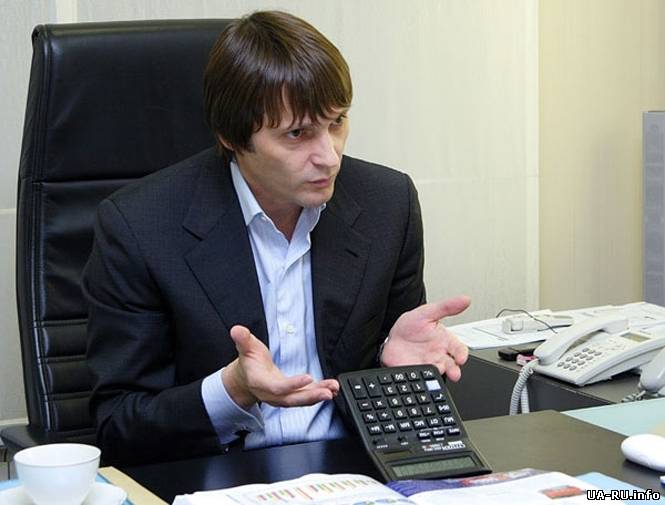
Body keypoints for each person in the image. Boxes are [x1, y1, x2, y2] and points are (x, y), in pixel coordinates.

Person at [82, 10, 469, 465]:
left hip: (352, 471)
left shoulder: (388, 204)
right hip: (218, 475)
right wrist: (232, 390)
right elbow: (120, 426)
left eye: (337, 122)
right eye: (297, 134)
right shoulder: (140, 226)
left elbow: (398, 400)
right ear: (232, 137)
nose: (329, 156)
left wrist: (392, 362)